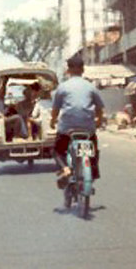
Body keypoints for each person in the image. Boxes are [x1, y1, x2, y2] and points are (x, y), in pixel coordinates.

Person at [51, 53, 105, 185]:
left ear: (68, 70)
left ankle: (65, 168)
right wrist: (99, 121)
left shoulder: (62, 87)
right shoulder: (91, 86)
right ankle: (93, 171)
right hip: (87, 128)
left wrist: (52, 121)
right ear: (83, 70)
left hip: (67, 129)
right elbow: (100, 109)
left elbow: (55, 110)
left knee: (57, 150)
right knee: (94, 148)